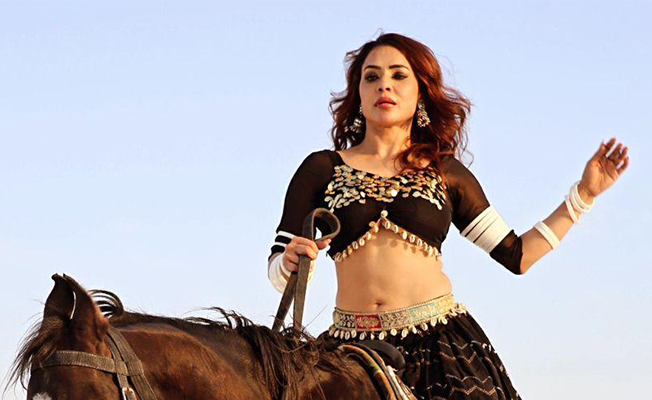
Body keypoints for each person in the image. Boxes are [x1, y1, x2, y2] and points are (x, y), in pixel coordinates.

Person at [267, 32, 629, 399]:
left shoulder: (445, 172)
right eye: (371, 77)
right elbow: (279, 269)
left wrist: (583, 196)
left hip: (441, 352)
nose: (384, 85)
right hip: (349, 355)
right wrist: (290, 262)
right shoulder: (321, 169)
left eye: (398, 75)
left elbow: (517, 255)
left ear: (421, 93)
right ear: (358, 93)